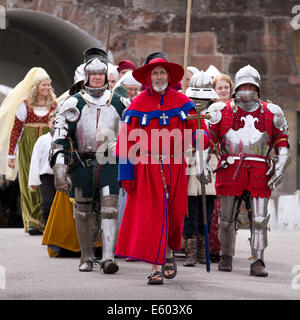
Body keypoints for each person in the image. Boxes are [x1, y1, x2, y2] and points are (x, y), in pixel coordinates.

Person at [115, 57, 210, 285]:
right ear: (149, 77)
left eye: (162, 73)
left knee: (175, 215)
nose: (159, 77)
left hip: (175, 166)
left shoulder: (183, 102)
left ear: (169, 76)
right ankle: (155, 267)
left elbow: (202, 133)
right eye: (155, 73)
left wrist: (200, 137)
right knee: (153, 217)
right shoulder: (137, 104)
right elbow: (125, 141)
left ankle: (168, 252)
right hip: (146, 169)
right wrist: (126, 172)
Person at [205, 64, 291, 276]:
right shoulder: (220, 110)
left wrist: (280, 168)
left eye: (251, 86)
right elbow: (207, 141)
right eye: (243, 85)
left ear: (258, 87)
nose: (247, 89)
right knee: (226, 219)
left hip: (260, 168)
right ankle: (226, 255)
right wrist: (201, 163)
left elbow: (283, 144)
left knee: (260, 219)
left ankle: (258, 259)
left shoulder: (272, 111)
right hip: (230, 167)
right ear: (237, 88)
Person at [50, 47, 127, 273]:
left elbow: (132, 133)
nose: (96, 77)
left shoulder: (120, 102)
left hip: (110, 162)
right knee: (83, 211)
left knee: (110, 210)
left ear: (105, 76)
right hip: (82, 162)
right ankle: (86, 257)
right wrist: (60, 169)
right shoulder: (73, 102)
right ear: (86, 76)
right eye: (92, 74)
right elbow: (60, 136)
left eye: (100, 73)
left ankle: (109, 258)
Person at [0, 67, 57, 235]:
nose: (47, 88)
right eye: (43, 85)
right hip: (28, 147)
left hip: (48, 145)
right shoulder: (25, 105)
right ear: (36, 87)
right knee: (29, 180)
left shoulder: (54, 106)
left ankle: (45, 219)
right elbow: (16, 131)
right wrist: (11, 155)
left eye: (48, 85)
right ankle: (32, 221)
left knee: (47, 180)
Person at [182, 70, 220, 267]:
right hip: (189, 163)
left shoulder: (217, 113)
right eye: (195, 97)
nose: (199, 101)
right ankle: (190, 251)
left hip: (210, 163)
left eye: (202, 98)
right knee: (190, 210)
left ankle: (203, 249)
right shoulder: (184, 113)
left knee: (208, 209)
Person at [207, 73, 234, 263]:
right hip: (211, 160)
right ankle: (209, 248)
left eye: (226, 88)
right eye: (220, 88)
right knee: (212, 207)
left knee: (227, 209)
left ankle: (225, 249)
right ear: (214, 90)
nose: (223, 91)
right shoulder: (210, 110)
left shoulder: (237, 109)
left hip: (231, 161)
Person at [28, 110, 56, 227]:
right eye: (53, 122)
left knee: (61, 206)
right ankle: (47, 228)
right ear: (49, 123)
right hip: (46, 177)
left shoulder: (67, 139)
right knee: (48, 202)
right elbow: (35, 160)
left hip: (63, 177)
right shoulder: (42, 140)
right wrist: (33, 180)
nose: (55, 124)